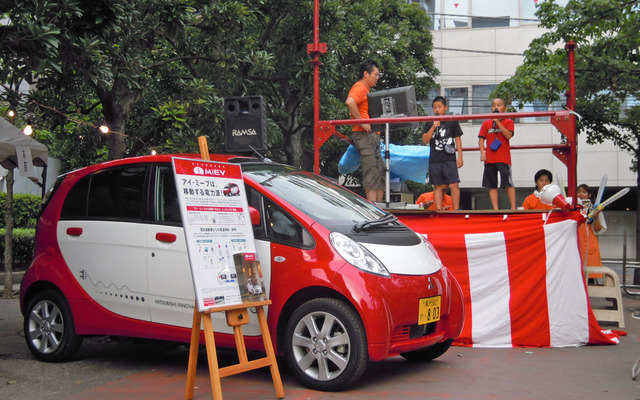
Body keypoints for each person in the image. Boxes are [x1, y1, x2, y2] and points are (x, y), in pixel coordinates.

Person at [345, 59, 384, 202]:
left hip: (370, 134)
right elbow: (350, 102)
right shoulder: (360, 87)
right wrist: (362, 122)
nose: (377, 78)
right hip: (364, 134)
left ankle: (379, 207)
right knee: (372, 171)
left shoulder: (365, 89)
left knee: (380, 170)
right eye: (376, 74)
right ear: (366, 74)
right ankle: (374, 209)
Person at [422, 96, 464, 210]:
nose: (437, 110)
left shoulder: (452, 120)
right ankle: (439, 209)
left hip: (449, 157)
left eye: (439, 107)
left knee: (454, 184)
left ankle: (456, 210)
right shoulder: (429, 122)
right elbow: (425, 140)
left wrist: (460, 157)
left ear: (445, 107)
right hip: (435, 158)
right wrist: (433, 127)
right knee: (437, 185)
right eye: (435, 108)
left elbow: (458, 139)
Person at [478, 97, 516, 210]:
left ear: (504, 108)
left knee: (508, 183)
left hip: (503, 159)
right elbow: (481, 139)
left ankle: (513, 208)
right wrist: (482, 153)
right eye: (494, 105)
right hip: (490, 159)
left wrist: (498, 122)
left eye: (499, 105)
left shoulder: (509, 121)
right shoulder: (486, 123)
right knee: (491, 185)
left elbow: (508, 135)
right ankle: (495, 209)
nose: (496, 107)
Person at [577, 184, 607, 272]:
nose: (581, 194)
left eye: (584, 192)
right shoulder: (572, 209)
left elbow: (598, 229)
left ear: (589, 195)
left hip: (589, 245)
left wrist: (596, 217)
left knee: (590, 274)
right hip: (575, 243)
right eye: (579, 192)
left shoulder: (594, 209)